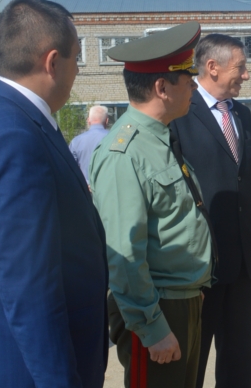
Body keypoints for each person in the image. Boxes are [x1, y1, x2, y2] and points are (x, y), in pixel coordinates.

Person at [0, 0, 108, 388]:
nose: (78, 70)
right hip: (24, 367)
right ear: (52, 61)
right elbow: (29, 288)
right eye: (78, 59)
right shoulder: (13, 138)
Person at [90, 21, 212, 388]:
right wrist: (151, 326)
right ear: (162, 87)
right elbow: (124, 255)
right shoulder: (124, 153)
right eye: (186, 77)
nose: (194, 84)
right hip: (159, 307)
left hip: (183, 300)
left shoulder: (157, 139)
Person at [170, 33, 251, 388]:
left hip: (241, 259)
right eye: (240, 68)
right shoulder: (180, 110)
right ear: (212, 67)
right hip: (199, 263)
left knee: (239, 354)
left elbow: (250, 186)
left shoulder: (241, 114)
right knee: (194, 356)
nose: (245, 76)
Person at [69, 104, 110, 184]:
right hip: (107, 188)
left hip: (85, 189)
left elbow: (70, 169)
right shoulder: (113, 138)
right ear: (107, 120)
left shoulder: (76, 141)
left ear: (88, 120)